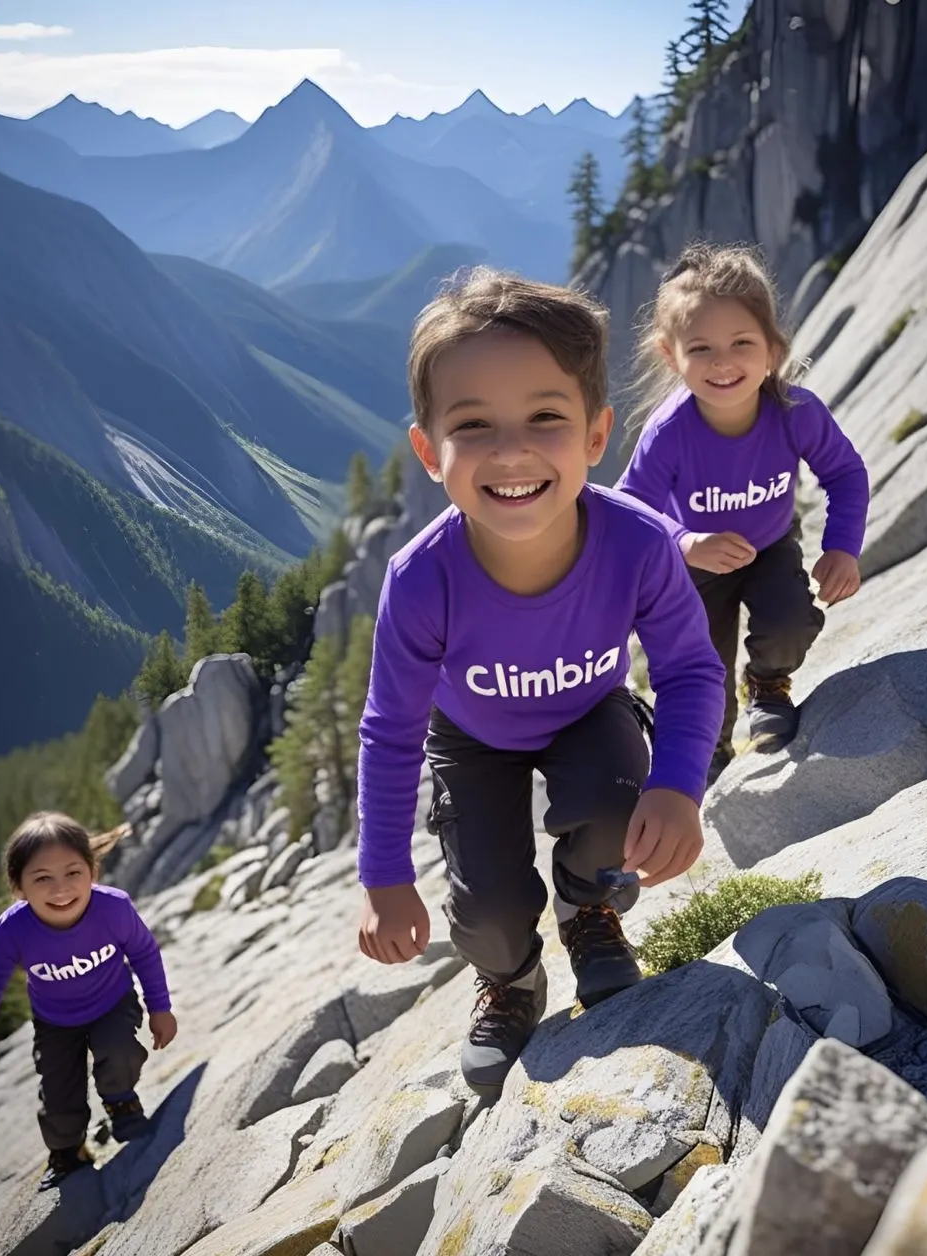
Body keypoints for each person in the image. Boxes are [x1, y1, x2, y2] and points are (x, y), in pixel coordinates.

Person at [356, 268, 724, 1097]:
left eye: (546, 418)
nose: (512, 449)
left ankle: (587, 910)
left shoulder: (637, 543)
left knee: (620, 810)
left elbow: (692, 668)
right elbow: (390, 731)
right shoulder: (422, 581)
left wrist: (679, 786)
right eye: (473, 425)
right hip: (470, 737)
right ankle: (512, 977)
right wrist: (383, 874)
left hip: (588, 711)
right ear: (429, 450)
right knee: (485, 908)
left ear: (597, 435)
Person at [616, 243, 869, 781]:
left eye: (742, 343)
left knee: (789, 623)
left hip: (770, 543)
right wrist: (685, 542)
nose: (723, 362)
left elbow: (845, 474)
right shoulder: (669, 432)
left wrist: (842, 547)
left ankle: (768, 684)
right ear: (670, 355)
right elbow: (631, 508)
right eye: (700, 348)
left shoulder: (795, 414)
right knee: (696, 666)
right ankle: (708, 750)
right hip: (694, 567)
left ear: (773, 349)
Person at [0, 812, 177, 1191]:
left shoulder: (113, 908)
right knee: (58, 1091)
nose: (61, 890)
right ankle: (67, 1151)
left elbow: (144, 952)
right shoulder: (13, 929)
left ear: (93, 871)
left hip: (112, 1002)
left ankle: (122, 1103)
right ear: (19, 887)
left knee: (119, 1051)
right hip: (54, 1021)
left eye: (73, 873)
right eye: (42, 878)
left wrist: (160, 1007)